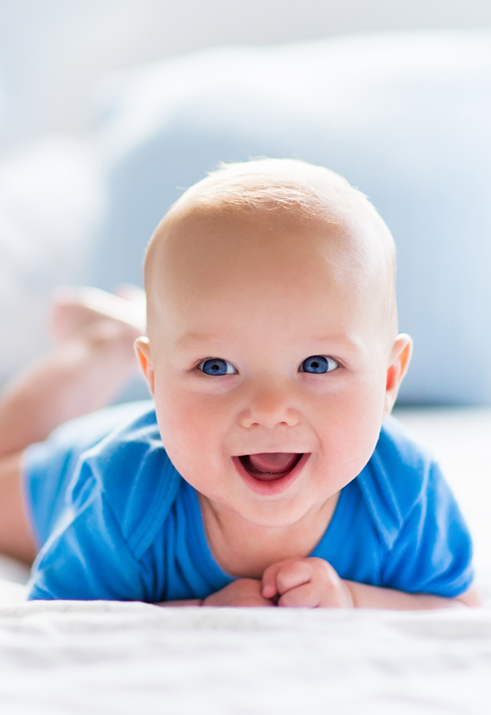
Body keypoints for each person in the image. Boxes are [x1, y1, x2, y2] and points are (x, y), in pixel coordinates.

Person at [0, 159, 481, 608]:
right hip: (66, 470)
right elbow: (61, 625)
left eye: (317, 364)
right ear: (154, 377)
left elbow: (457, 608)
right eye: (215, 366)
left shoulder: (403, 489)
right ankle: (105, 344)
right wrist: (202, 612)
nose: (269, 409)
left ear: (388, 379)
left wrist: (352, 598)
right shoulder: (121, 491)